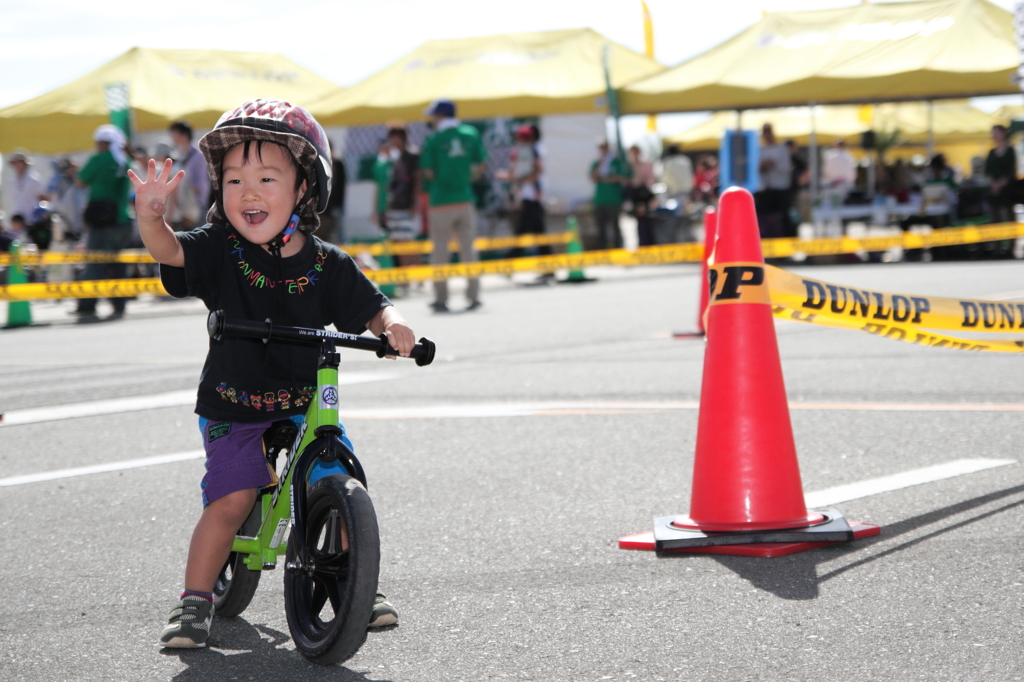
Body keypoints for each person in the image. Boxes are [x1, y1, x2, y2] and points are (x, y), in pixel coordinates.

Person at [129, 99, 414, 649]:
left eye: (266, 177)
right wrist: (151, 218)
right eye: (234, 180)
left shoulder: (328, 263)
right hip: (233, 405)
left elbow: (374, 305)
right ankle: (194, 601)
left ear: (304, 189)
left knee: (333, 474)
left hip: (302, 402)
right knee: (232, 499)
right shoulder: (219, 249)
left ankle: (354, 581)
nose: (248, 192)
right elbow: (170, 252)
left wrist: (395, 325)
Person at [419, 99, 487, 312]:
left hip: (440, 200)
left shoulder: (433, 139)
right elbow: (481, 166)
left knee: (440, 251)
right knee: (469, 249)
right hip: (465, 198)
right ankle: (473, 296)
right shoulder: (470, 133)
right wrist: (466, 179)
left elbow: (428, 172)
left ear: (440, 116)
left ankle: (441, 298)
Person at [73, 124, 133, 320]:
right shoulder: (126, 161)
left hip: (101, 222)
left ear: (102, 143)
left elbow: (80, 181)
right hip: (123, 219)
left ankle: (87, 306)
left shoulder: (98, 159)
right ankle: (119, 305)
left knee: (95, 264)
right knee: (119, 266)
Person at [168, 121, 211, 230]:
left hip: (196, 204)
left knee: (198, 235)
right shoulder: (181, 154)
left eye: (175, 133)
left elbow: (201, 182)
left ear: (184, 134)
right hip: (184, 204)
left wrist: (199, 202)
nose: (172, 136)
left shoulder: (198, 155)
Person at [589, 139, 630, 249]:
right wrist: (601, 164)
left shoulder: (616, 162)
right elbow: (593, 178)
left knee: (616, 227)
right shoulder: (597, 163)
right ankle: (603, 249)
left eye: (604, 147)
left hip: (614, 200)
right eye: (601, 147)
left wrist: (603, 179)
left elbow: (618, 178)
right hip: (600, 200)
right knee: (601, 228)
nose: (603, 150)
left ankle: (619, 248)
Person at [755, 123, 793, 239]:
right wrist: (762, 166)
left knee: (784, 219)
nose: (767, 135)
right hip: (766, 189)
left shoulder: (781, 148)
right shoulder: (760, 150)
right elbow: (755, 169)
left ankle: (787, 247)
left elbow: (787, 168)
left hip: (781, 189)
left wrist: (773, 164)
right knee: (764, 219)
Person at [985, 124, 1017, 224]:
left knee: (1009, 216)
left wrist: (999, 185)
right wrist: (993, 184)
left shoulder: (1010, 151)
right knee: (995, 218)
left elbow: (1011, 171)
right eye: (994, 132)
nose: (995, 135)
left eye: (997, 132)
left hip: (1007, 190)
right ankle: (997, 239)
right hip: (994, 191)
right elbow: (987, 171)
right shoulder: (991, 152)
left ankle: (1012, 239)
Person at [4, 149, 47, 220]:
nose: (17, 165)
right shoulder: (12, 181)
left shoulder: (34, 179)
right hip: (18, 218)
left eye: (20, 162)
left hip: (32, 217)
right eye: (15, 163)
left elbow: (42, 197)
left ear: (25, 163)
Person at [627, 145, 656, 246]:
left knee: (646, 219)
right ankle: (642, 243)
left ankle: (649, 243)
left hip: (644, 195)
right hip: (636, 195)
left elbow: (650, 179)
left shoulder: (644, 164)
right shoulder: (629, 166)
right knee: (639, 220)